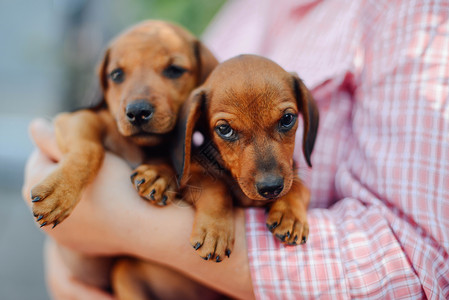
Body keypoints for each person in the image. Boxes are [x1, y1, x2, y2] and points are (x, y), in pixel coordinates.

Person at [23, 0, 449, 299]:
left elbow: (419, 268)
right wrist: (71, 277)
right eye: (227, 131)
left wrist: (124, 221)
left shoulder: (418, 20)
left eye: (285, 121)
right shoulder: (244, 10)